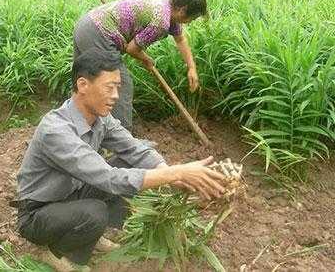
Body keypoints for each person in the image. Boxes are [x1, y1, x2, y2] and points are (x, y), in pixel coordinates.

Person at [15, 50, 224, 271]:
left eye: (118, 87)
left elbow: (134, 148)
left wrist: (167, 171)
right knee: (95, 212)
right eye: (109, 87)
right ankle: (56, 251)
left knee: (135, 162)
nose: (116, 95)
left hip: (72, 194)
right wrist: (177, 173)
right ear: (83, 85)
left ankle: (88, 236)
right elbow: (108, 178)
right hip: (38, 213)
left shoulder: (102, 119)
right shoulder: (55, 130)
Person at [73, 0, 208, 130]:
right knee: (120, 85)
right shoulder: (161, 22)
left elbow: (180, 39)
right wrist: (147, 59)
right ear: (183, 10)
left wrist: (192, 68)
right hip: (98, 35)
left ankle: (76, 126)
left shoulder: (167, 7)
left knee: (85, 81)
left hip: (86, 25)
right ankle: (123, 139)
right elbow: (131, 49)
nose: (189, 22)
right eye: (192, 18)